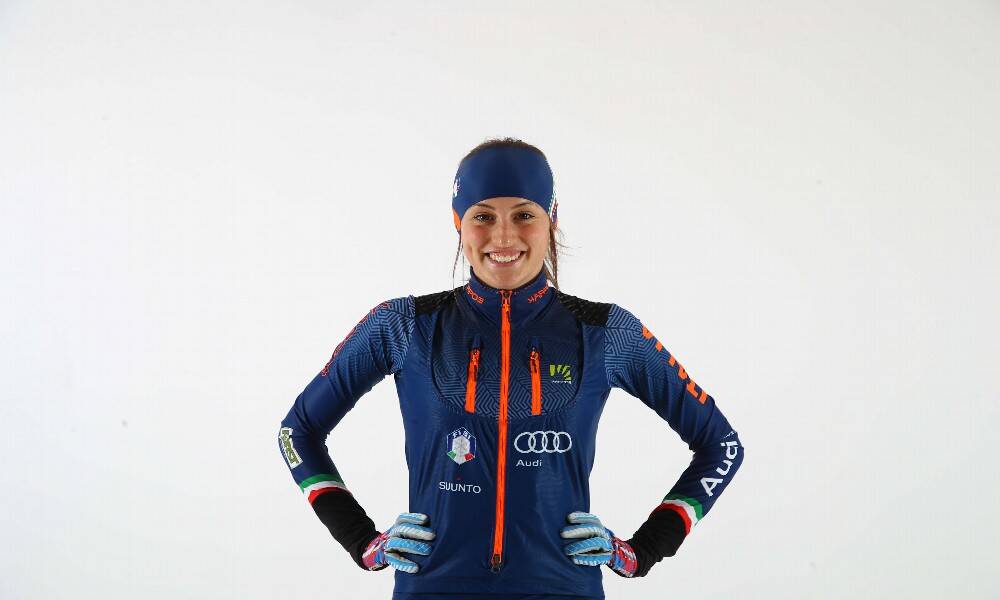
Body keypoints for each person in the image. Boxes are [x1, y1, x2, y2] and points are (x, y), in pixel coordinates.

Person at [277, 138, 745, 599]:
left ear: (551, 219)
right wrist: (363, 542)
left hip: (563, 590)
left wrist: (640, 552)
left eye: (524, 215)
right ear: (458, 222)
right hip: (434, 588)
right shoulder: (404, 325)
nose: (503, 237)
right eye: (483, 216)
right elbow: (296, 433)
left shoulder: (605, 332)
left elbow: (721, 445)